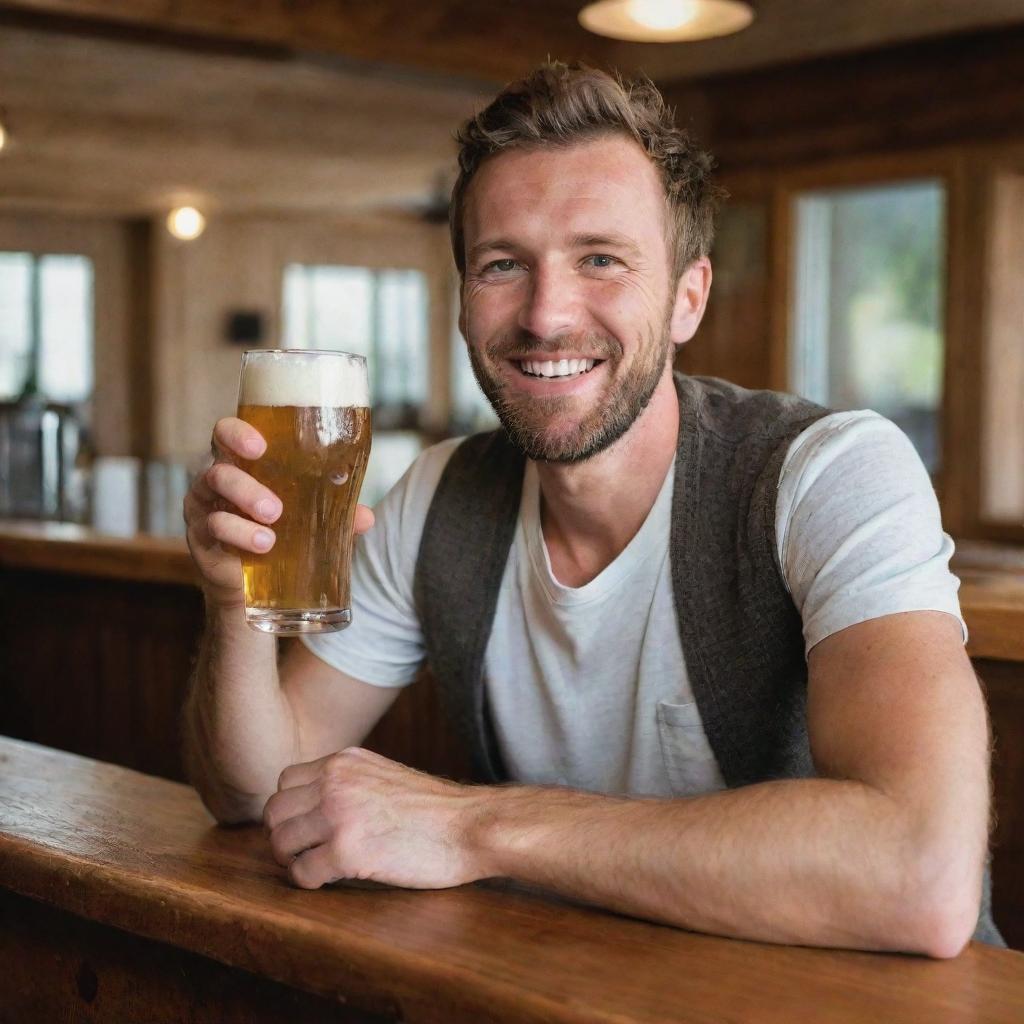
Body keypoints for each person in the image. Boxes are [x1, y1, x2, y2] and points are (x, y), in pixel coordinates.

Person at [182, 62, 1003, 957]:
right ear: (463, 302)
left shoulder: (830, 471)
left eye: (600, 259)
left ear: (688, 296)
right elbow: (254, 790)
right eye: (504, 265)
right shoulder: (435, 497)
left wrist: (469, 827)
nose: (546, 314)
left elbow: (922, 876)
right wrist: (236, 610)